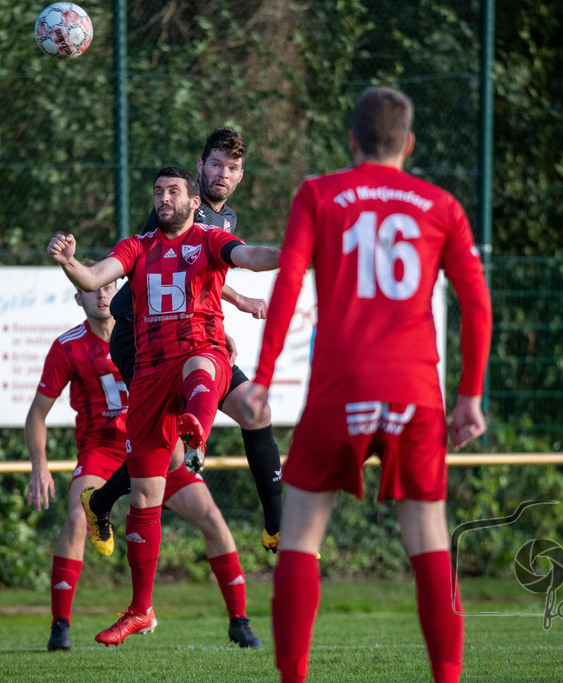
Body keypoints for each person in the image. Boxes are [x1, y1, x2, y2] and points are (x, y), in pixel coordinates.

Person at [240, 86, 493, 683]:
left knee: (300, 535)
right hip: (415, 391)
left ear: (352, 142)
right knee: (429, 537)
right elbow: (477, 304)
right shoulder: (441, 205)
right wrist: (469, 397)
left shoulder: (320, 194)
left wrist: (266, 378)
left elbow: (289, 283)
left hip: (340, 387)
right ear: (408, 144)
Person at [46, 166, 280, 646]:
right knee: (146, 499)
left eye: (173, 191)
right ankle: (140, 609)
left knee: (202, 365)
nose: (164, 198)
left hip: (199, 355)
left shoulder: (210, 240)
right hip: (150, 375)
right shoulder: (138, 246)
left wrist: (298, 253)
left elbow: (252, 256)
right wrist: (70, 263)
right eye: (158, 192)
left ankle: (197, 424)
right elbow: (94, 275)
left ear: (194, 201)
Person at [24, 266, 263, 651]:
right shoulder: (68, 346)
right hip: (103, 452)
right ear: (78, 297)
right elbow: (37, 414)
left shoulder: (150, 332)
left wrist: (221, 341)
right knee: (75, 515)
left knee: (212, 518)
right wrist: (40, 465)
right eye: (93, 290)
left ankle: (240, 620)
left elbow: (197, 364)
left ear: (122, 293)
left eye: (110, 288)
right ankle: (60, 627)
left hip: (159, 447)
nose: (102, 296)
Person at [83, 127, 284, 556]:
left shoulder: (226, 220)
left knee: (254, 407)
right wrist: (241, 300)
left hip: (189, 338)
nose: (222, 174)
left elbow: (204, 275)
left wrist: (218, 320)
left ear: (241, 176)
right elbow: (167, 271)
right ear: (200, 166)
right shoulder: (174, 210)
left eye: (231, 168)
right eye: (215, 164)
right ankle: (102, 501)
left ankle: (276, 525)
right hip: (139, 337)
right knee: (168, 456)